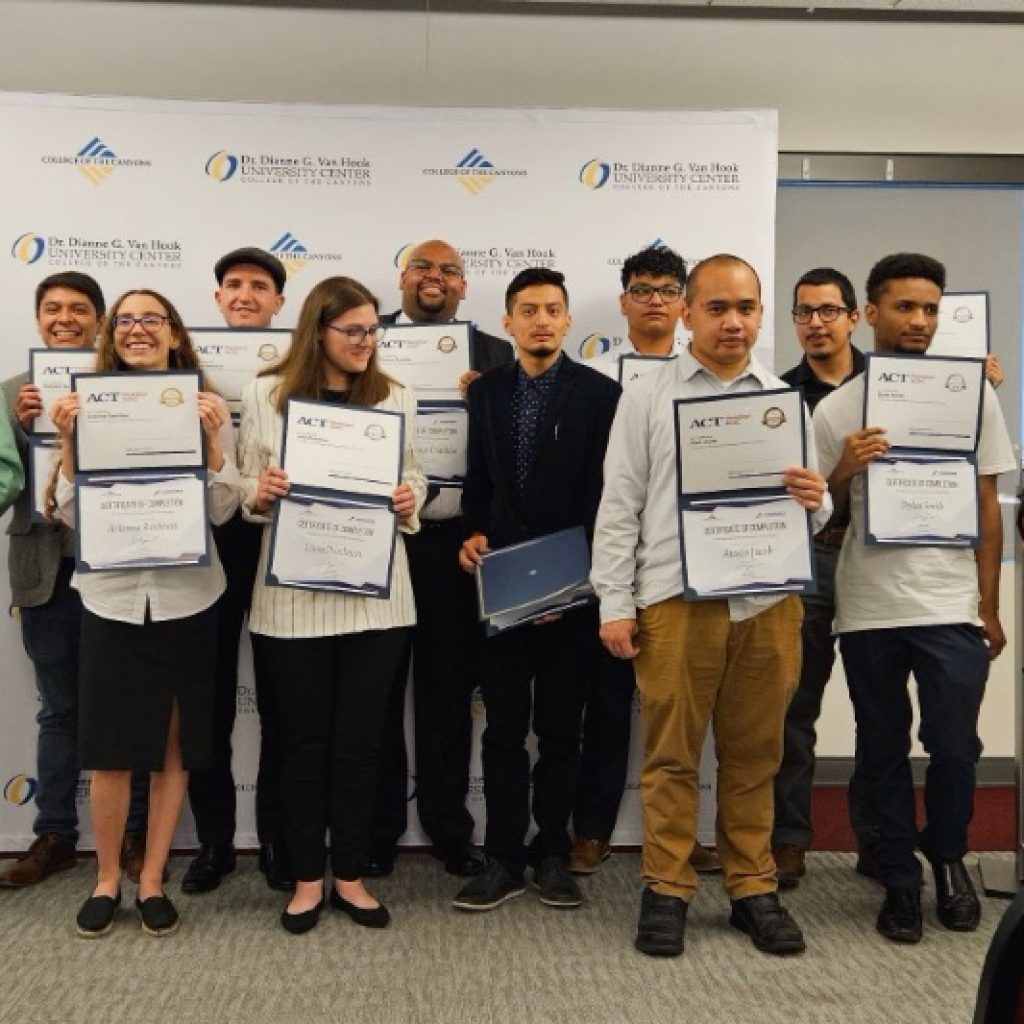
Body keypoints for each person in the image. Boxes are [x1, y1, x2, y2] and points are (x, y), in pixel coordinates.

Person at [592, 254, 829, 958]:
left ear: (761, 317)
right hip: (675, 598)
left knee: (756, 755)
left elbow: (812, 514)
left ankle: (753, 888)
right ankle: (666, 888)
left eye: (747, 308)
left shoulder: (786, 402)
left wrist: (819, 504)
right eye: (718, 307)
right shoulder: (646, 395)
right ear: (689, 313)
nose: (733, 321)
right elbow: (620, 504)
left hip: (768, 602)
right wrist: (614, 601)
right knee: (670, 756)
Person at [812, 252, 1015, 944]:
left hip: (950, 603)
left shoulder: (974, 396)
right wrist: (844, 469)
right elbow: (816, 511)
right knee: (881, 747)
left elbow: (988, 505)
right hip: (869, 604)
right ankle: (899, 877)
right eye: (905, 306)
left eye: (931, 307)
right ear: (870, 315)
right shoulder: (836, 407)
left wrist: (989, 602)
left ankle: (950, 859)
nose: (920, 321)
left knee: (955, 747)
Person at [237, 275, 426, 934]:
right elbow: (243, 487)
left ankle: (349, 874)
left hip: (376, 602)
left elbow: (417, 473)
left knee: (359, 745)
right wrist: (260, 491)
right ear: (318, 330)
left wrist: (410, 498)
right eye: (354, 331)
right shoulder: (265, 392)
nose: (367, 342)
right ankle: (306, 879)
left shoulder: (396, 394)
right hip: (291, 600)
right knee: (300, 743)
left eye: (374, 330)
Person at [47, 288, 239, 937]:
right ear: (112, 334)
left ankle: (152, 879)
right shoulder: (84, 405)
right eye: (125, 320)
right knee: (109, 752)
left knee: (171, 749)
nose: (137, 329)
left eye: (150, 319)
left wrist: (214, 443)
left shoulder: (206, 408)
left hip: (189, 596)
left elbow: (222, 512)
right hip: (111, 597)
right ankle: (106, 879)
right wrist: (69, 444)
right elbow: (71, 518)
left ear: (174, 335)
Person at [452, 268, 621, 913]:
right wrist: (468, 533)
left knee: (560, 733)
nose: (542, 320)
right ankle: (502, 857)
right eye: (529, 310)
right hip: (501, 590)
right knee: (501, 731)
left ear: (569, 320)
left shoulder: (601, 395)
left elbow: (607, 499)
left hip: (571, 593)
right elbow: (480, 482)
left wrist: (569, 586)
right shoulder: (488, 392)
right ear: (509, 322)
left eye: (553, 309)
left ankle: (552, 851)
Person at [0, 273, 151, 890]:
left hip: (119, 570)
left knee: (132, 708)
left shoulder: (129, 386)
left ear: (100, 321)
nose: (65, 318)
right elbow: (7, 484)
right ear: (38, 320)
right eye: (53, 309)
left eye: (80, 310)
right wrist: (15, 427)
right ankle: (56, 832)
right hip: (47, 574)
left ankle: (137, 829)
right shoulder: (13, 393)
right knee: (60, 710)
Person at [368, 239, 513, 879]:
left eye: (449, 270)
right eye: (423, 267)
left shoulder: (495, 354)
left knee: (447, 694)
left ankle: (449, 828)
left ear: (463, 287)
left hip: (452, 548)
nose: (435, 278)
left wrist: (489, 402)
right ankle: (375, 831)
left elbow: (512, 458)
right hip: (376, 545)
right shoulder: (363, 339)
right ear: (401, 279)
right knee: (375, 693)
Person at [574, 245, 720, 877]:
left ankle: (694, 834)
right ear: (625, 300)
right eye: (642, 289)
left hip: (690, 566)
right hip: (609, 560)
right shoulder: (593, 375)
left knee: (695, 714)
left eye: (666, 289)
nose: (655, 299)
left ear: (684, 303)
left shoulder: (714, 373)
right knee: (606, 705)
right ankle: (593, 829)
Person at [182, 247, 292, 895]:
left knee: (282, 701)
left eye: (259, 286)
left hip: (282, 542)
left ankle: (279, 841)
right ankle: (215, 844)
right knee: (209, 701)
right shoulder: (180, 367)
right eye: (233, 286)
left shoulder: (304, 364)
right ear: (217, 299)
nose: (245, 294)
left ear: (280, 302)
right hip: (211, 539)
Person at [771, 268, 875, 888]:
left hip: (876, 564)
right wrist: (839, 471)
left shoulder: (892, 386)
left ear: (854, 317)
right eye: (804, 312)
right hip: (807, 562)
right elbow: (791, 503)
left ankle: (876, 840)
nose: (816, 323)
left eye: (828, 311)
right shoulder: (779, 398)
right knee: (794, 708)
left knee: (877, 708)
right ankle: (788, 840)